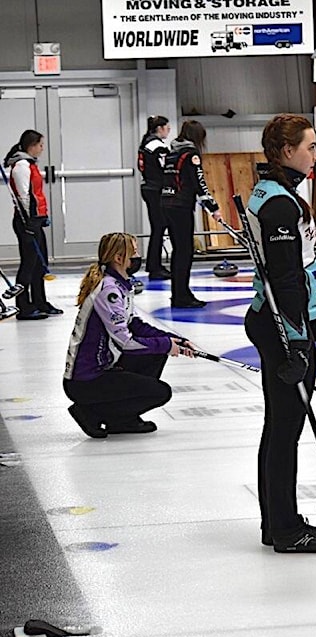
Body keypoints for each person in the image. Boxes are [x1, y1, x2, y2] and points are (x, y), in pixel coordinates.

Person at [245, 113, 316, 554]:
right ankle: (284, 528)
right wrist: (295, 341)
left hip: (285, 320)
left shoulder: (278, 194)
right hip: (281, 327)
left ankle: (279, 517)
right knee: (285, 429)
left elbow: (297, 272)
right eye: (310, 147)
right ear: (288, 152)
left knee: (282, 427)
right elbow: (283, 280)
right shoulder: (280, 205)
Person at [63, 232, 196, 439]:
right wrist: (166, 345)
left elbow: (134, 325)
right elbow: (126, 341)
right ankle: (91, 412)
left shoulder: (120, 284)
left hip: (104, 367)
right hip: (86, 380)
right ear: (118, 258)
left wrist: (171, 339)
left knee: (156, 352)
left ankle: (123, 418)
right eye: (134, 252)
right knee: (160, 392)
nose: (137, 256)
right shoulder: (109, 290)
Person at [161, 119, 221, 308]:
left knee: (179, 251)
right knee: (185, 252)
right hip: (181, 207)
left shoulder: (172, 152)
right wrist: (213, 207)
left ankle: (180, 293)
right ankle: (182, 297)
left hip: (166, 204)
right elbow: (199, 183)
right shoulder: (191, 154)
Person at [3, 130, 60, 320]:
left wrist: (42, 217)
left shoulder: (30, 164)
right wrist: (30, 221)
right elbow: (24, 196)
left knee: (39, 263)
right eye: (40, 145)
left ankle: (39, 301)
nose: (42, 149)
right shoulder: (21, 165)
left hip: (35, 219)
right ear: (32, 145)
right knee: (29, 263)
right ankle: (23, 306)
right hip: (26, 220)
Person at [138, 115, 173, 280]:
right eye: (167, 127)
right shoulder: (158, 147)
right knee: (159, 227)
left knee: (157, 227)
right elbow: (165, 168)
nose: (169, 130)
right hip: (156, 189)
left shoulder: (145, 143)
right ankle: (155, 266)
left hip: (148, 187)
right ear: (160, 128)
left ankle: (154, 264)